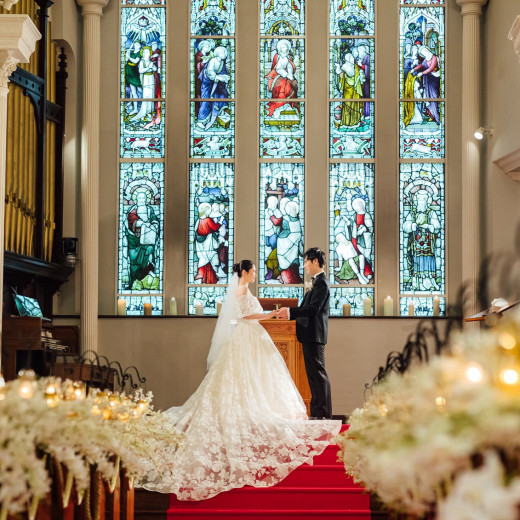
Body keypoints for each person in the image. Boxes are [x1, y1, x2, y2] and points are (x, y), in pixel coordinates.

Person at [141, 260, 341, 500]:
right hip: (247, 336)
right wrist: (269, 315)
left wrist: (270, 316)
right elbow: (246, 315)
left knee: (254, 377)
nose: (256, 273)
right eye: (253, 270)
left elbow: (245, 317)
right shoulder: (240, 290)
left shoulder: (244, 289)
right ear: (244, 273)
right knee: (244, 377)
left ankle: (254, 409)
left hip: (251, 336)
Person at [276, 248, 332, 419]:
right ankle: (317, 413)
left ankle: (323, 414)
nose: (304, 265)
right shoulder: (316, 282)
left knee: (318, 374)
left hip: (315, 336)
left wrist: (290, 313)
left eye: (307, 261)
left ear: (315, 261)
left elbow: (313, 309)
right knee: (314, 376)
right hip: (309, 335)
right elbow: (306, 308)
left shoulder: (321, 283)